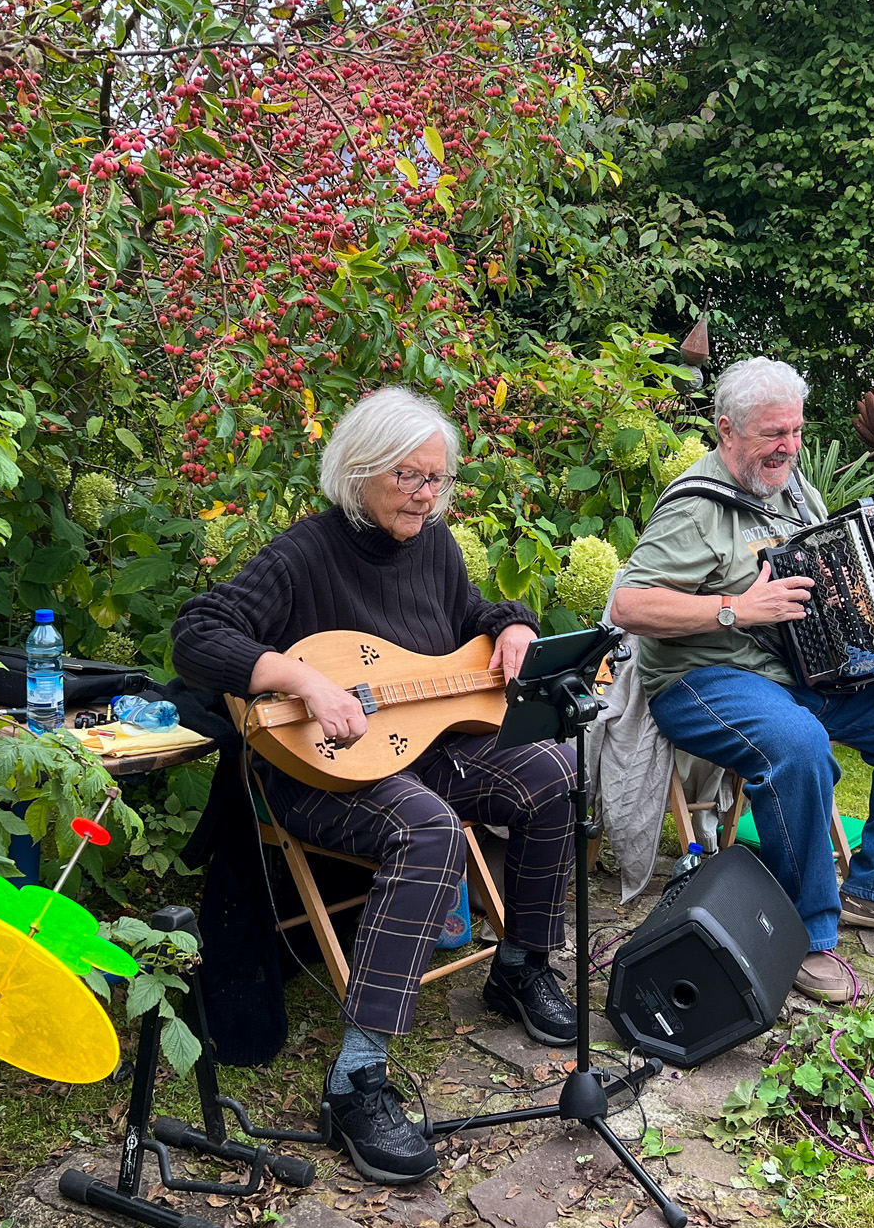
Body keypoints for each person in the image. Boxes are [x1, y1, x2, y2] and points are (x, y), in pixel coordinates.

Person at [171, 388, 577, 1187]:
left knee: (556, 774)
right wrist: (300, 679)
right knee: (425, 829)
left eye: (437, 480)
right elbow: (196, 631)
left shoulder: (435, 546)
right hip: (323, 770)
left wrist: (513, 625)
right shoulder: (303, 555)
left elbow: (472, 613)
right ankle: (356, 1079)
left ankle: (521, 964)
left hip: (421, 750)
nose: (427, 496)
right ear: (359, 473)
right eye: (409, 478)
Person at [609, 358, 874, 1005]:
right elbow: (630, 607)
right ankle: (803, 935)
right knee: (796, 740)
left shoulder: (794, 489)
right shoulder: (694, 507)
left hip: (800, 671)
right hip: (703, 678)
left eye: (797, 431)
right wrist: (736, 608)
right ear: (727, 430)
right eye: (773, 433)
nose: (789, 446)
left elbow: (831, 580)